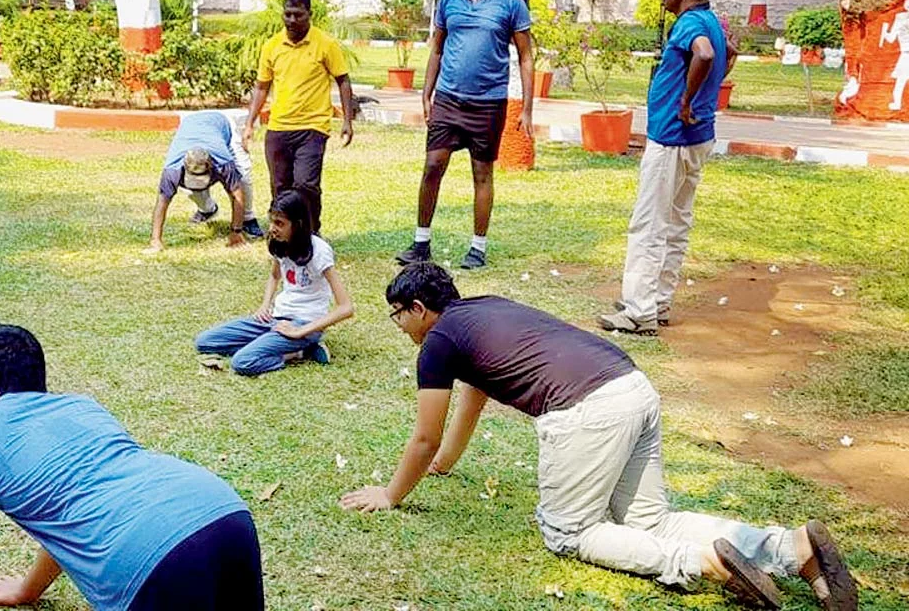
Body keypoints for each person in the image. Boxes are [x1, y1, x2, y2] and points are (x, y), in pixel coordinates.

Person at [341, 262, 856, 611]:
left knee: (569, 531)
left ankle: (704, 564)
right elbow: (471, 401)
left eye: (397, 316)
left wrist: (390, 495)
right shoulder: (482, 310)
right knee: (651, 518)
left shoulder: (437, 341)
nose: (399, 327)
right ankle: (791, 550)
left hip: (584, 411)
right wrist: (446, 465)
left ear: (416, 308)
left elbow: (424, 438)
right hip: (633, 387)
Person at [0, 324, 264, 611]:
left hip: (153, 556)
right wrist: (29, 589)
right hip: (223, 512)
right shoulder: (81, 406)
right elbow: (71, 517)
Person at [599, 0, 737, 334]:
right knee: (677, 222)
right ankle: (657, 301)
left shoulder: (692, 25)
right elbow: (731, 51)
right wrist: (703, 98)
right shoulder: (711, 20)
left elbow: (705, 55)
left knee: (649, 224)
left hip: (672, 139)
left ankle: (639, 310)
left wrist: (687, 101)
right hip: (697, 138)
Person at [395, 0, 534, 270]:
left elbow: (526, 57)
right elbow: (438, 49)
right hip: (448, 100)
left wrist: (528, 108)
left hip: (488, 103)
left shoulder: (511, 4)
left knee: (482, 173)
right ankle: (420, 243)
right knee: (432, 166)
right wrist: (426, 92)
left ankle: (477, 248)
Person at [195, 189, 353, 375]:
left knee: (242, 362)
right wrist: (265, 305)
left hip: (304, 323)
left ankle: (299, 352)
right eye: (271, 221)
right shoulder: (280, 243)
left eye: (279, 223)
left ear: (298, 224)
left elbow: (346, 308)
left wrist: (300, 331)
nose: (272, 228)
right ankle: (274, 344)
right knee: (204, 342)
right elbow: (274, 276)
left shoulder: (319, 251)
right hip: (276, 318)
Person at [243, 0, 355, 232]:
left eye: (298, 15)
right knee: (280, 187)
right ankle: (281, 236)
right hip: (279, 128)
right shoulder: (272, 46)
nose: (292, 20)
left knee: (306, 185)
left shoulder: (325, 44)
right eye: (288, 15)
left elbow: (343, 80)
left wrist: (347, 120)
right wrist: (250, 123)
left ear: (309, 15)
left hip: (313, 128)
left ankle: (311, 232)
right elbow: (262, 86)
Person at [146, 111, 263, 253]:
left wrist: (236, 231)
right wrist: (155, 240)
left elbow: (237, 195)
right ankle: (208, 209)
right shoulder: (172, 170)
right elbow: (162, 202)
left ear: (212, 167)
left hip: (222, 125)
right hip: (191, 123)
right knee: (191, 189)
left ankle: (248, 218)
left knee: (243, 175)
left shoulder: (223, 162)